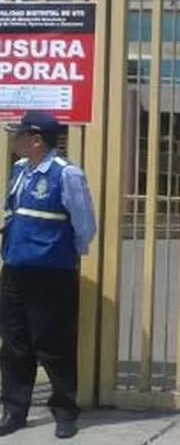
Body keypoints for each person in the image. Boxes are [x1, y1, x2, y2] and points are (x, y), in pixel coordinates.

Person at [0, 110, 97, 440]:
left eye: (20, 134)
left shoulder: (66, 174)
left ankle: (65, 411)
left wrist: (64, 256)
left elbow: (84, 225)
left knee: (53, 345)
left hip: (51, 274)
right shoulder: (18, 170)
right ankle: (14, 410)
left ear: (36, 140)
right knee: (15, 345)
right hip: (14, 270)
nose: (15, 139)